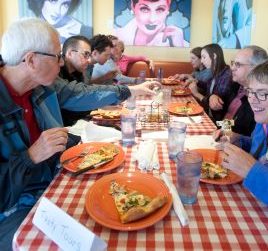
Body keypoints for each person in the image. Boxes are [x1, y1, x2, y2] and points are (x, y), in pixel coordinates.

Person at [0, 18, 159, 248]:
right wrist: (30, 157)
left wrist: (127, 90)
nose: (62, 62)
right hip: (14, 210)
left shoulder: (42, 85)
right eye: (57, 55)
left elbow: (82, 92)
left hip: (51, 183)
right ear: (31, 60)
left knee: (114, 204)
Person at [217, 58, 268, 229]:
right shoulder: (267, 123)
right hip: (252, 210)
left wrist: (251, 170)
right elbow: (267, 152)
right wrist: (239, 139)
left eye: (262, 93)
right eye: (250, 92)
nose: (252, 100)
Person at [213, 46, 268, 136]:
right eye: (233, 63)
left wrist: (222, 128)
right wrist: (212, 97)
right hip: (221, 131)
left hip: (234, 141)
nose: (232, 68)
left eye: (238, 65)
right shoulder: (236, 86)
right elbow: (223, 114)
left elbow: (242, 129)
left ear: (256, 68)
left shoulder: (259, 99)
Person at [188, 43, 232, 122]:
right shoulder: (217, 71)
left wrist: (196, 94)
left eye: (204, 57)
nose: (201, 60)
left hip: (219, 122)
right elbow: (210, 87)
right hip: (210, 115)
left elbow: (215, 105)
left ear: (214, 56)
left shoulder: (227, 76)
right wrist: (196, 81)